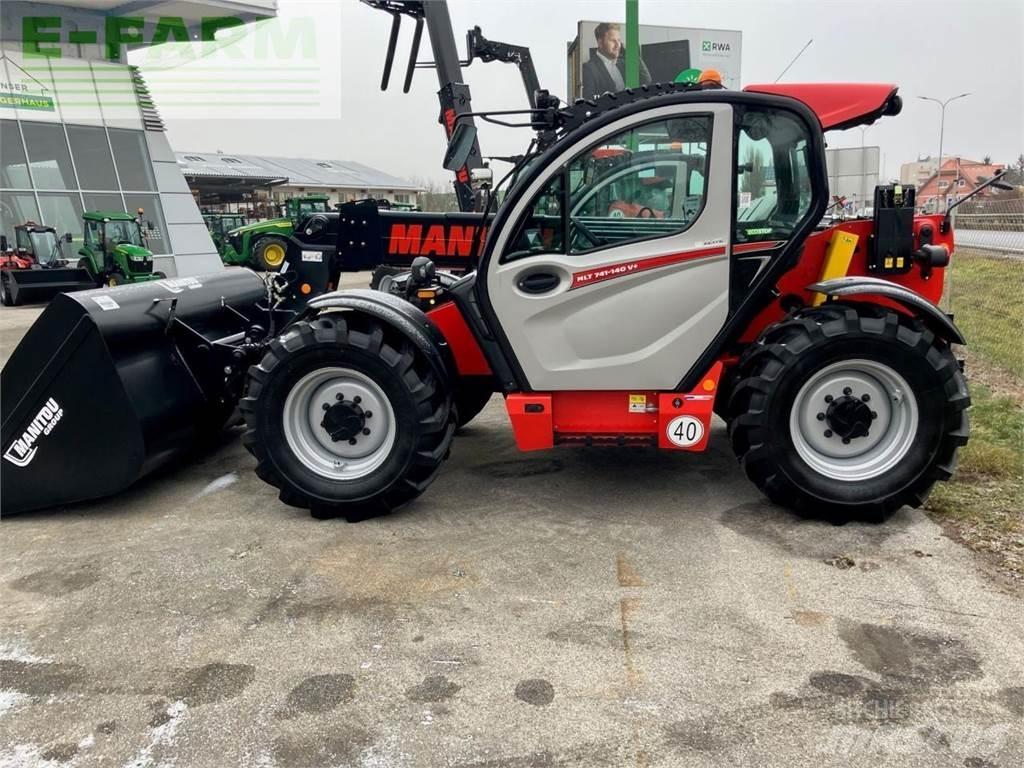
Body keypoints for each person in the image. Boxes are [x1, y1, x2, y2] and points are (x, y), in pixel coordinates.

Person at [581, 22, 651, 98]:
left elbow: (646, 80)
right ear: (600, 42)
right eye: (613, 40)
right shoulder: (588, 69)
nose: (618, 45)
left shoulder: (623, 62)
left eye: (619, 40)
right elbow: (588, 100)